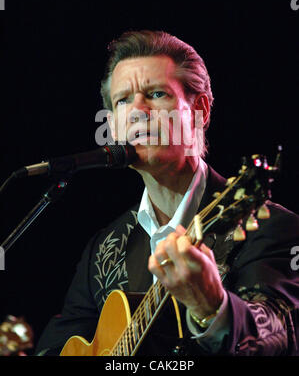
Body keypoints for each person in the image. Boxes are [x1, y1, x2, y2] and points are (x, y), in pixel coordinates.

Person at [35, 30, 299, 356]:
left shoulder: (274, 227)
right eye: (123, 100)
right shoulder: (104, 250)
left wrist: (213, 309)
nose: (137, 111)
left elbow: (279, 335)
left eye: (157, 94)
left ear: (200, 109)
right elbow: (54, 347)